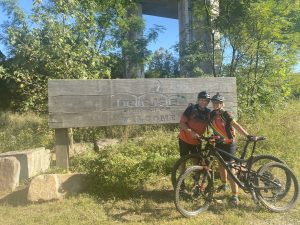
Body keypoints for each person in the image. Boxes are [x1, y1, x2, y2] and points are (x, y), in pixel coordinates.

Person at [209, 92, 254, 206]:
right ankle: (224, 184)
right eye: (214, 103)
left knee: (230, 169)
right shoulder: (211, 114)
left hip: (229, 143)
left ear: (222, 104)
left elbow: (236, 125)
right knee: (220, 164)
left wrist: (247, 135)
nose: (215, 105)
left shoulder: (225, 114)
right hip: (219, 142)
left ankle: (235, 195)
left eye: (218, 103)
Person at [178, 91, 211, 180]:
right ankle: (181, 183)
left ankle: (195, 183)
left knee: (196, 162)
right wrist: (191, 132)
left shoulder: (208, 113)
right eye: (202, 100)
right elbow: (181, 124)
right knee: (183, 161)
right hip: (184, 139)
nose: (204, 102)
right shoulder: (191, 109)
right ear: (198, 100)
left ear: (208, 102)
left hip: (197, 141)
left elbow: (214, 125)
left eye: (206, 100)